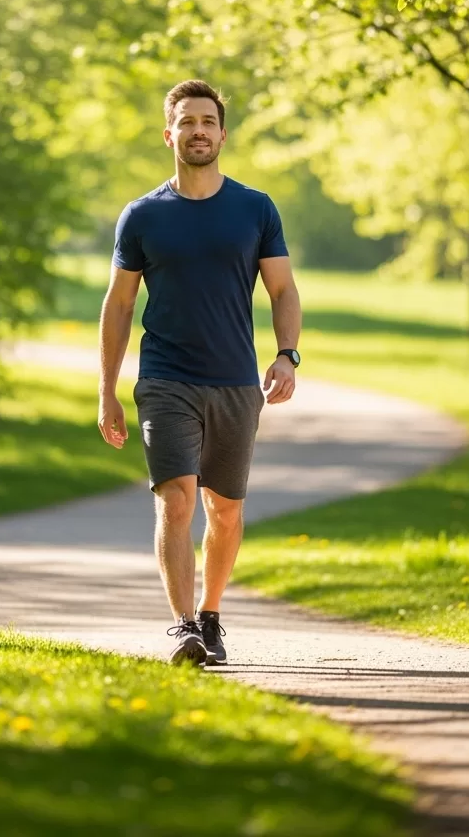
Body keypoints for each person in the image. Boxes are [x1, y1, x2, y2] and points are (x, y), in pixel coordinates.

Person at [96, 79, 302, 666]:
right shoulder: (142, 216)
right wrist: (107, 391)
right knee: (176, 499)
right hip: (165, 379)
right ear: (169, 134)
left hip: (236, 382)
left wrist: (287, 354)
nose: (198, 131)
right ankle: (183, 626)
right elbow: (118, 306)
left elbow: (283, 289)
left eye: (208, 121)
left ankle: (211, 614)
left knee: (226, 509)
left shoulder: (254, 209)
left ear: (223, 134)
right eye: (187, 122)